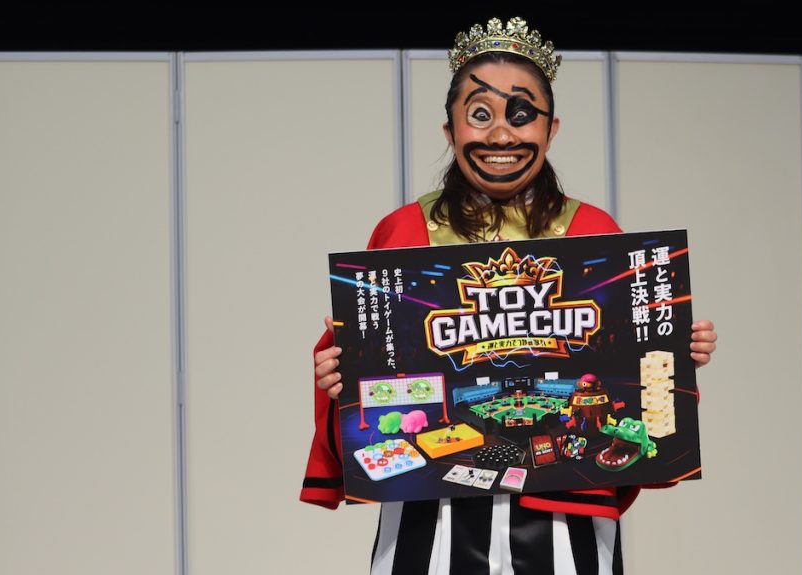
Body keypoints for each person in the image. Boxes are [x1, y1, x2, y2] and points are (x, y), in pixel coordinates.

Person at [301, 17, 718, 575]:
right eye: (480, 115)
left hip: (567, 512)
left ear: (551, 128)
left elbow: (638, 370)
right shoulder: (403, 231)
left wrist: (673, 350)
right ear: (450, 129)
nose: (500, 136)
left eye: (520, 114)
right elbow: (363, 375)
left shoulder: (594, 232)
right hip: (432, 511)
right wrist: (338, 374)